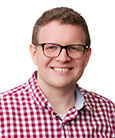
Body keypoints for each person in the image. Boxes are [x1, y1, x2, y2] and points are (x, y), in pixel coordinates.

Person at [0, 7, 115, 138]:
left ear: (87, 56)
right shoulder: (2, 111)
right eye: (52, 47)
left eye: (73, 48)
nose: (63, 58)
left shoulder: (109, 112)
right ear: (34, 53)